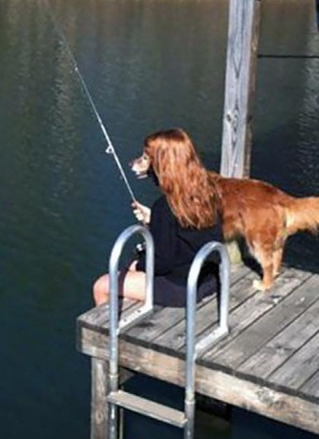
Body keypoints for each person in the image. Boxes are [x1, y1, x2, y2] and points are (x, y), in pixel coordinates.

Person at [92, 129, 223, 308]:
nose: (142, 162)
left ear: (162, 165)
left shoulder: (165, 206)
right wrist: (154, 221)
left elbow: (162, 264)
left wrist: (137, 265)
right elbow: (187, 232)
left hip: (182, 288)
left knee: (102, 285)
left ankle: (109, 335)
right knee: (129, 271)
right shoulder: (207, 191)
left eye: (146, 158)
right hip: (209, 278)